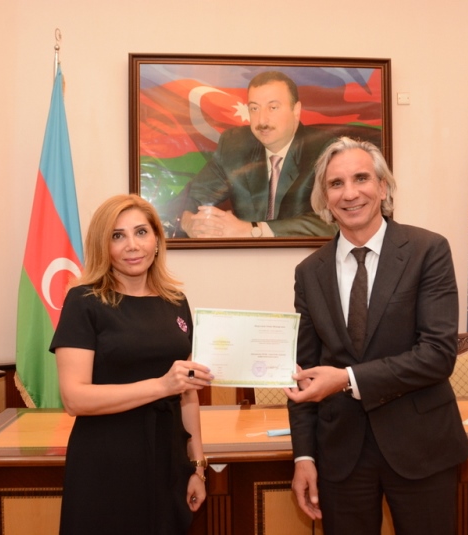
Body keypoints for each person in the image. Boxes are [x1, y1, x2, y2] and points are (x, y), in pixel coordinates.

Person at [285, 137, 468, 535]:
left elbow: (438, 355)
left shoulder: (427, 250)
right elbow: (300, 371)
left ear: (383, 187)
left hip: (421, 446)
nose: (350, 193)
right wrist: (304, 457)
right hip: (340, 454)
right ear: (325, 198)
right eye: (336, 184)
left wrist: (347, 379)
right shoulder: (309, 272)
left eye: (361, 178)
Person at [50, 194, 213, 534]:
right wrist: (161, 386)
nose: (132, 245)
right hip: (106, 460)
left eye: (141, 232)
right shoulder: (83, 301)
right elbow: (74, 398)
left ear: (156, 239)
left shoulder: (176, 301)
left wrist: (197, 465)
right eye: (117, 236)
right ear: (103, 246)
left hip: (168, 458)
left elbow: (188, 392)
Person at [178, 70, 337, 238]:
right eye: (254, 108)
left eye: (273, 108)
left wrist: (253, 230)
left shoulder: (326, 150)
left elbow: (334, 222)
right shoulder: (235, 145)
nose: (262, 120)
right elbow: (193, 196)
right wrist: (188, 222)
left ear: (296, 110)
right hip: (246, 254)